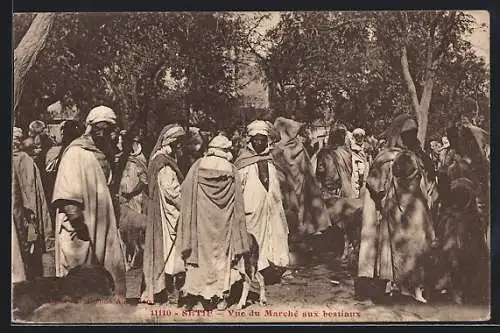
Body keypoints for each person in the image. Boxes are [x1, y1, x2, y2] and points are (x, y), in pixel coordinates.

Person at [356, 114, 436, 303]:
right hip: (394, 211)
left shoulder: (419, 154)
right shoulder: (386, 157)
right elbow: (375, 184)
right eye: (407, 134)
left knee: (417, 246)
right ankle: (395, 285)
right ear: (398, 134)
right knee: (395, 247)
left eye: (413, 133)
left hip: (417, 211)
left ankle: (416, 287)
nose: (411, 137)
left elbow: (430, 178)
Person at [51, 105, 126, 298]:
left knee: (102, 282)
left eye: (109, 128)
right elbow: (67, 195)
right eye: (101, 127)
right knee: (78, 283)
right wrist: (79, 225)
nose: (105, 132)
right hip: (79, 229)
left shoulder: (103, 154)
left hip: (100, 226)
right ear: (91, 127)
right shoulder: (76, 153)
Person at [173, 134, 250, 310]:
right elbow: (239, 199)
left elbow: (185, 191)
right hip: (224, 224)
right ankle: (221, 298)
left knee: (201, 259)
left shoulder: (198, 166)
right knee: (222, 258)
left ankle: (200, 297)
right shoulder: (231, 169)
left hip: (201, 223)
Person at [235, 120, 290, 278]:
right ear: (250, 141)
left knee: (275, 236)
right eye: (256, 139)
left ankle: (273, 268)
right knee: (254, 238)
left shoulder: (270, 160)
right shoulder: (242, 162)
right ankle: (253, 271)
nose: (259, 142)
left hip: (272, 208)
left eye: (262, 139)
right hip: (252, 209)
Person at [271, 117, 331, 255]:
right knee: (301, 216)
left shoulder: (278, 151)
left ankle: (293, 246)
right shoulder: (298, 148)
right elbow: (308, 170)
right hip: (300, 189)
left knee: (290, 217)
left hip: (287, 190)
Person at [140, 124, 186, 305]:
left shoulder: (161, 159)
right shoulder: (163, 163)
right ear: (172, 143)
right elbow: (171, 191)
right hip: (165, 212)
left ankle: (164, 290)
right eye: (179, 143)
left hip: (164, 209)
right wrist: (186, 206)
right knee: (169, 250)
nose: (181, 147)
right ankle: (166, 291)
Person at [12, 127, 52, 280]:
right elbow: (32, 198)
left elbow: (30, 195)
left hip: (22, 218)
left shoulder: (24, 160)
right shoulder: (24, 160)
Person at [118, 132, 148, 270]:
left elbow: (143, 181)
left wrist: (131, 192)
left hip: (135, 199)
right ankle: (128, 258)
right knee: (124, 230)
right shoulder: (126, 158)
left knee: (135, 230)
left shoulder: (140, 159)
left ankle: (137, 257)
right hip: (124, 200)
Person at [316, 123, 355, 200]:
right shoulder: (347, 153)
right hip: (347, 193)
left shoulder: (324, 153)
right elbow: (350, 172)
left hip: (329, 196)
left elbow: (320, 173)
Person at [351, 128, 369, 198]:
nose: (359, 138)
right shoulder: (353, 148)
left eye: (361, 136)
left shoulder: (366, 147)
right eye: (357, 136)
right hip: (356, 169)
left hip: (365, 168)